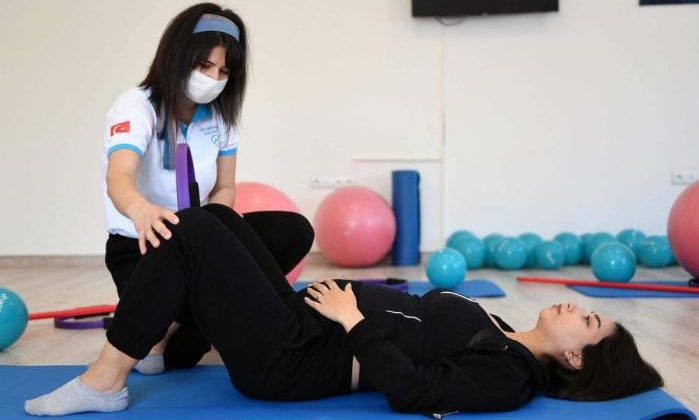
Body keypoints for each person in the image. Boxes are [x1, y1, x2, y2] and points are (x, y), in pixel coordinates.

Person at [25, 205, 663, 416]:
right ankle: (168, 342)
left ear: (575, 357)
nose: (575, 306)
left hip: (293, 357)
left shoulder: (511, 375)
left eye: (587, 320)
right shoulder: (499, 329)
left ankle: (106, 380)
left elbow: (414, 392)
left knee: (196, 234)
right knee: (233, 219)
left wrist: (352, 319)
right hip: (301, 321)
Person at [102, 3, 264, 375]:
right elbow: (118, 178)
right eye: (205, 66)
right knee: (179, 355)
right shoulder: (136, 107)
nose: (214, 78)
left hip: (194, 242)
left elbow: (225, 188)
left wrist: (212, 231)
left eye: (224, 71)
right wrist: (142, 210)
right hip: (143, 245)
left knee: (290, 232)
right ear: (178, 55)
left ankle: (168, 323)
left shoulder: (221, 117)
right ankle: (155, 328)